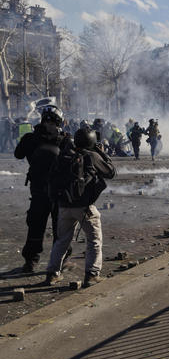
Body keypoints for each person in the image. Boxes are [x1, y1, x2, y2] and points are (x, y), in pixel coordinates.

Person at [45, 127, 115, 286]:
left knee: (61, 240)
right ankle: (92, 274)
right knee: (94, 240)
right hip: (84, 207)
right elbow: (111, 172)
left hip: (63, 205)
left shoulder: (64, 154)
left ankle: (52, 274)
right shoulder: (91, 155)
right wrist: (102, 153)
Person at [13, 105, 70, 274]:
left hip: (39, 189)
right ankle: (60, 260)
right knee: (59, 226)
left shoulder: (31, 137)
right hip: (57, 190)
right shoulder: (64, 139)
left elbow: (18, 154)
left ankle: (31, 261)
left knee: (38, 225)